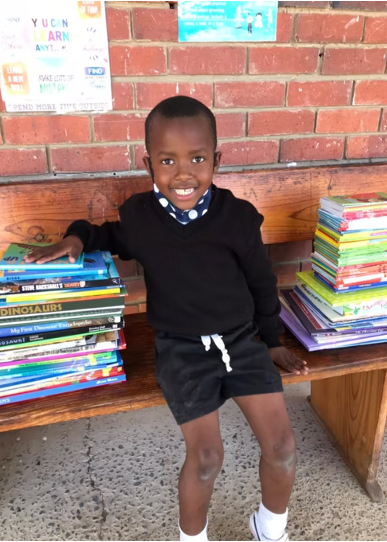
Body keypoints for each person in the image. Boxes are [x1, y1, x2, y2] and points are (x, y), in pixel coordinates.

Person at [25, 96, 308, 542]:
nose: (183, 173)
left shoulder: (237, 218)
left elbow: (261, 280)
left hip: (240, 341)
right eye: (167, 160)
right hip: (181, 350)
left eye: (197, 158)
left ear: (216, 160)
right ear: (149, 164)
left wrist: (271, 340)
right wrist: (77, 238)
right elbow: (105, 234)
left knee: (282, 446)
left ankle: (269, 529)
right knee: (206, 458)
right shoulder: (141, 217)